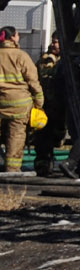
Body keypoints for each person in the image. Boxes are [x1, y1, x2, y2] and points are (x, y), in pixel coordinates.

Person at [0, 26, 45, 173]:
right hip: (20, 105)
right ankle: (12, 169)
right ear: (12, 37)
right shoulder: (21, 56)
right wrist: (39, 101)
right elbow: (33, 80)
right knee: (16, 136)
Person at [31, 36, 71, 177]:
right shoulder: (44, 61)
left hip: (63, 106)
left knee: (59, 135)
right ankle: (43, 164)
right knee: (43, 137)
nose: (54, 44)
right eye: (53, 41)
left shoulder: (68, 59)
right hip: (47, 105)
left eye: (57, 41)